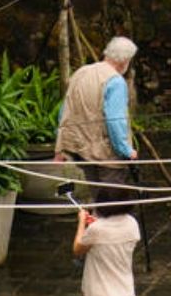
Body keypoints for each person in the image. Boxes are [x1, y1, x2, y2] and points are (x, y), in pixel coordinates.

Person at [56, 36, 139, 191]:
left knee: (95, 199)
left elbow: (65, 110)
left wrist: (61, 144)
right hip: (106, 155)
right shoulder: (115, 81)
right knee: (111, 205)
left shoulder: (81, 72)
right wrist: (126, 151)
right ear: (125, 60)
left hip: (79, 149)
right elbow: (115, 121)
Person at [74, 180, 141, 296]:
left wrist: (82, 223)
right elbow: (111, 234)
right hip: (126, 292)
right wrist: (97, 225)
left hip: (100, 294)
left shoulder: (97, 229)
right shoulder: (132, 223)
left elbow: (78, 249)